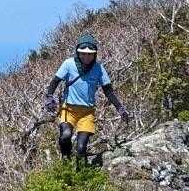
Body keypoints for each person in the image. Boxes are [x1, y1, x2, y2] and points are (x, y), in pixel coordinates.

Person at [43, 32, 130, 164]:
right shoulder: (68, 64)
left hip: (87, 112)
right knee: (65, 136)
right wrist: (49, 97)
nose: (86, 57)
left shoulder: (98, 69)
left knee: (81, 148)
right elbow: (55, 81)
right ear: (78, 53)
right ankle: (66, 161)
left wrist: (120, 108)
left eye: (90, 54)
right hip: (69, 109)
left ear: (95, 54)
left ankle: (81, 171)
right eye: (83, 53)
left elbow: (108, 91)